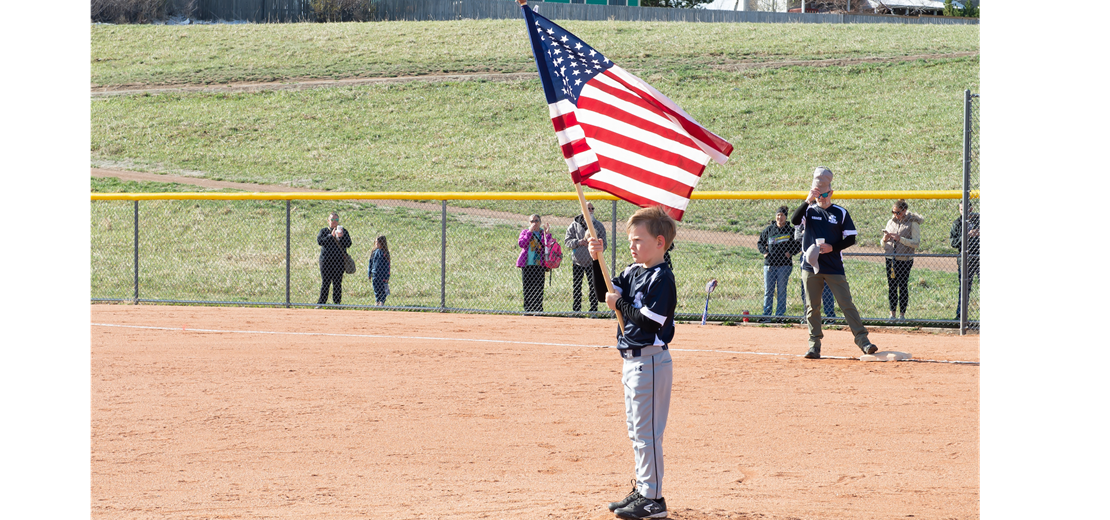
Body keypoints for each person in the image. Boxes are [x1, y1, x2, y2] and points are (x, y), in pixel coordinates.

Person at [588, 206, 676, 520]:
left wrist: (620, 303)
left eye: (639, 239)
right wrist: (597, 259)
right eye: (630, 239)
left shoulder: (662, 277)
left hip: (651, 361)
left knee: (648, 433)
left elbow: (651, 321)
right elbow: (604, 293)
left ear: (660, 243)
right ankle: (643, 489)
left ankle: (653, 499)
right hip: (633, 362)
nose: (632, 245)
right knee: (637, 432)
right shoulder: (635, 271)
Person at [790, 167, 878, 359]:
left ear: (830, 192)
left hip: (833, 266)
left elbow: (851, 239)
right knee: (812, 307)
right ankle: (814, 346)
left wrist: (833, 247)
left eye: (823, 193)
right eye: (817, 193)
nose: (820, 197)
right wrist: (807, 200)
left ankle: (863, 342)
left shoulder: (840, 212)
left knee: (846, 304)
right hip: (810, 267)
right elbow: (794, 220)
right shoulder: (809, 210)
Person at [758, 205, 801, 320]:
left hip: (784, 265)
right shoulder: (769, 230)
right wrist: (765, 253)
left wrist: (791, 252)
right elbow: (760, 242)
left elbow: (799, 244)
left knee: (781, 291)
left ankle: (780, 316)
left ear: (785, 217)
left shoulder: (791, 231)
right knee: (768, 291)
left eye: (782, 215)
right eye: (778, 215)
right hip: (770, 264)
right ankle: (766, 315)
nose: (779, 217)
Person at [882, 200, 922, 320]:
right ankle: (892, 314)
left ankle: (902, 315)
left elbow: (916, 243)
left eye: (898, 212)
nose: (895, 215)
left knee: (902, 285)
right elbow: (882, 243)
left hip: (904, 259)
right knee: (892, 286)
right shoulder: (891, 222)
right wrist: (884, 239)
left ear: (904, 211)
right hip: (890, 258)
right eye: (893, 212)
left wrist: (900, 239)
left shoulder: (912, 223)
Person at [564, 202, 606, 313]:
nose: (591, 210)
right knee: (577, 287)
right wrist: (578, 242)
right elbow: (567, 241)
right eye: (588, 208)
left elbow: (604, 244)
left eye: (592, 208)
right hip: (577, 261)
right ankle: (576, 311)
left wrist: (596, 248)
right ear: (583, 210)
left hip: (593, 262)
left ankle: (593, 311)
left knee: (593, 287)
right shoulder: (574, 225)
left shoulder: (598, 226)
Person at [949, 201, 980, 320]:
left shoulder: (978, 219)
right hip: (965, 260)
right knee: (964, 288)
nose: (963, 212)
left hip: (978, 256)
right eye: (961, 210)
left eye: (965, 210)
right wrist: (967, 235)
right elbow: (953, 242)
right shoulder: (957, 223)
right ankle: (960, 316)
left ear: (971, 209)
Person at [516, 214, 553, 313]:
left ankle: (538, 309)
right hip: (527, 264)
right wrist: (530, 232)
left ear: (540, 222)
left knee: (538, 288)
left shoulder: (542, 233)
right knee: (527, 287)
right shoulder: (525, 232)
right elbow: (522, 244)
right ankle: (528, 309)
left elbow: (549, 246)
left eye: (536, 221)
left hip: (539, 264)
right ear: (529, 223)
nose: (534, 223)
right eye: (532, 221)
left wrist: (547, 234)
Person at [316, 212, 352, 307]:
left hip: (339, 262)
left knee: (337, 283)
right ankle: (321, 303)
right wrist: (330, 236)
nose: (334, 222)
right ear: (328, 221)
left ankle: (337, 303)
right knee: (325, 282)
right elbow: (320, 241)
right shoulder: (324, 231)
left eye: (336, 220)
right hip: (326, 261)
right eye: (332, 220)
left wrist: (341, 237)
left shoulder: (343, 231)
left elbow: (349, 244)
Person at [369, 235, 391, 306]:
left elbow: (388, 266)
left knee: (383, 289)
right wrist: (369, 273)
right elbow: (370, 263)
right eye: (375, 242)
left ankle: (382, 301)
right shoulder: (374, 252)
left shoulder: (385, 253)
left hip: (382, 275)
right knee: (376, 289)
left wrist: (387, 276)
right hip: (375, 274)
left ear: (382, 243)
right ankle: (377, 300)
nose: (376, 244)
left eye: (378, 243)